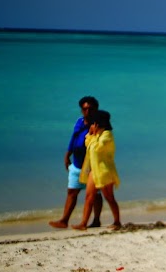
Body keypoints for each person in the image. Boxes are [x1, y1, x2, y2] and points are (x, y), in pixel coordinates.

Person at [49, 96, 102, 229]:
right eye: (85, 109)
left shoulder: (99, 125)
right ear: (81, 110)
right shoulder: (79, 122)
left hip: (91, 166)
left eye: (90, 109)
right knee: (72, 192)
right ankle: (64, 220)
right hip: (77, 164)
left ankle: (96, 220)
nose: (87, 111)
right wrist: (67, 155)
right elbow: (73, 138)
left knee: (95, 194)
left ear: (96, 109)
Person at [73, 110, 122, 230]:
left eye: (93, 123)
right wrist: (91, 134)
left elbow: (97, 149)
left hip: (105, 171)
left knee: (109, 197)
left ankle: (117, 221)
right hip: (94, 171)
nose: (91, 125)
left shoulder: (107, 135)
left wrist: (93, 135)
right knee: (89, 197)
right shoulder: (97, 135)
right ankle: (83, 223)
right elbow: (88, 144)